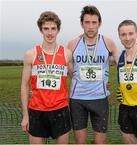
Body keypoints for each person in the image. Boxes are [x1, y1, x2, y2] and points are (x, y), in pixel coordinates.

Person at [67, 5, 119, 144]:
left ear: (99, 23)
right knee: (80, 142)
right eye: (87, 22)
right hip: (77, 99)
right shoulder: (72, 44)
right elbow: (68, 68)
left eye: (94, 22)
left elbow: (122, 64)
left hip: (100, 98)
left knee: (100, 142)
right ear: (81, 24)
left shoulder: (108, 42)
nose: (90, 27)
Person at [21, 11, 72, 144]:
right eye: (46, 29)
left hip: (60, 109)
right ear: (41, 30)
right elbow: (24, 86)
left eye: (53, 28)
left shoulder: (67, 54)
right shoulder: (30, 54)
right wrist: (25, 116)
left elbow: (76, 77)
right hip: (37, 110)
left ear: (58, 30)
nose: (50, 33)